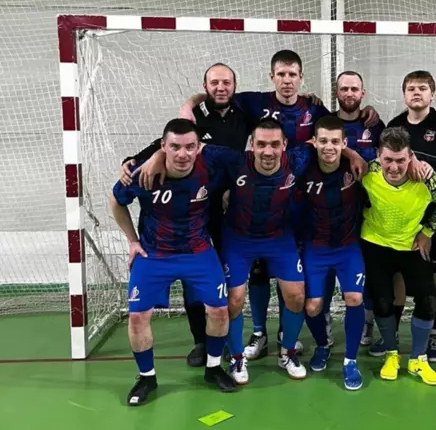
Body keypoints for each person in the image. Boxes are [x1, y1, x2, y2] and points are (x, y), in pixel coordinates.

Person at [180, 51, 378, 359]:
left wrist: (352, 152)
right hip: (258, 197)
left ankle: (289, 335)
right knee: (258, 273)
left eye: (292, 74)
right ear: (272, 77)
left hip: (301, 204)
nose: (287, 80)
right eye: (281, 74)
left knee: (293, 276)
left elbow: (331, 134)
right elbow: (217, 94)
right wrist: (188, 105)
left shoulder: (314, 107)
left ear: (301, 78)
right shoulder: (253, 102)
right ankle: (259, 333)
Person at [120, 62, 254, 368]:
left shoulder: (245, 113)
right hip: (188, 210)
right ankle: (200, 340)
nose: (221, 87)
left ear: (235, 86)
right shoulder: (192, 118)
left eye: (226, 82)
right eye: (214, 83)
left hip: (225, 208)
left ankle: (229, 341)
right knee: (192, 281)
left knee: (223, 277)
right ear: (204, 86)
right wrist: (143, 158)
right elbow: (166, 144)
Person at [109, 119, 236, 406]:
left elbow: (245, 168)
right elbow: (116, 202)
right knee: (138, 317)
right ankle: (147, 377)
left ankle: (214, 368)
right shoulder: (143, 174)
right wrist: (132, 241)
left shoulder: (212, 166)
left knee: (219, 310)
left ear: (198, 147)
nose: (182, 154)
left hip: (198, 251)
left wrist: (229, 191)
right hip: (154, 254)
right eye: (175, 147)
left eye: (190, 147)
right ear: (163, 146)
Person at [367, 70, 436, 362]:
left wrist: (427, 169)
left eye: (422, 88)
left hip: (430, 218)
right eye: (411, 88)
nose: (416, 92)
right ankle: (391, 335)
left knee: (433, 275)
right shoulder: (395, 125)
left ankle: (434, 336)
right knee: (394, 276)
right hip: (397, 221)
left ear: (432, 94)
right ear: (404, 94)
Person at [360, 127, 436, 386]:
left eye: (401, 160)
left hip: (411, 245)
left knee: (428, 299)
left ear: (410, 156)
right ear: (378, 156)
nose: (394, 167)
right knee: (382, 302)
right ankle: (391, 355)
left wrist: (428, 231)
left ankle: (418, 359)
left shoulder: (425, 179)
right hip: (375, 243)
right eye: (388, 160)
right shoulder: (368, 172)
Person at [298, 116, 367, 390]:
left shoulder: (357, 167)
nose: (329, 147)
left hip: (348, 247)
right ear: (314, 142)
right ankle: (323, 344)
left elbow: (391, 161)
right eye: (323, 141)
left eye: (335, 142)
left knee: (354, 297)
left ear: (344, 144)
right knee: (313, 306)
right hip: (315, 248)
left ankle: (350, 361)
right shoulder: (303, 169)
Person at [331, 70, 386, 347]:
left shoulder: (374, 125)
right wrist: (350, 153)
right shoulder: (327, 122)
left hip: (368, 212)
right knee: (328, 271)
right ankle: (326, 324)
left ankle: (367, 323)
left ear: (362, 93)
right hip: (333, 211)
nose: (349, 94)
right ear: (336, 93)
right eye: (344, 89)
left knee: (370, 271)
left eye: (354, 89)